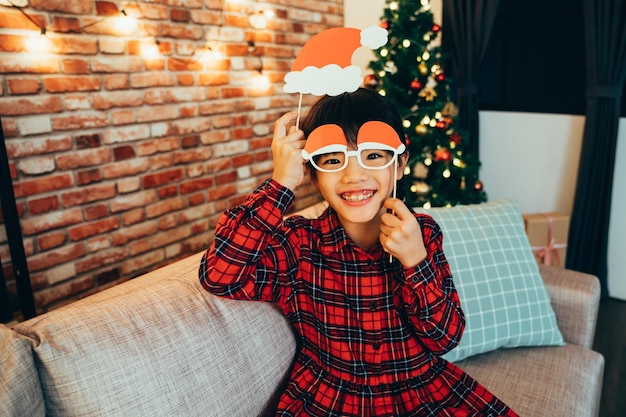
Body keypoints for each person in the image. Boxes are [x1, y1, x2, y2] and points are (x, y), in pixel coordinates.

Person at [199, 88, 517, 416]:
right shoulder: (299, 244)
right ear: (312, 172)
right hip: (331, 399)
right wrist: (281, 183)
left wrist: (415, 261)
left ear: (400, 163)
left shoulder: (421, 233)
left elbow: (445, 338)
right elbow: (220, 275)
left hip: (421, 393)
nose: (354, 175)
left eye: (373, 156)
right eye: (334, 159)